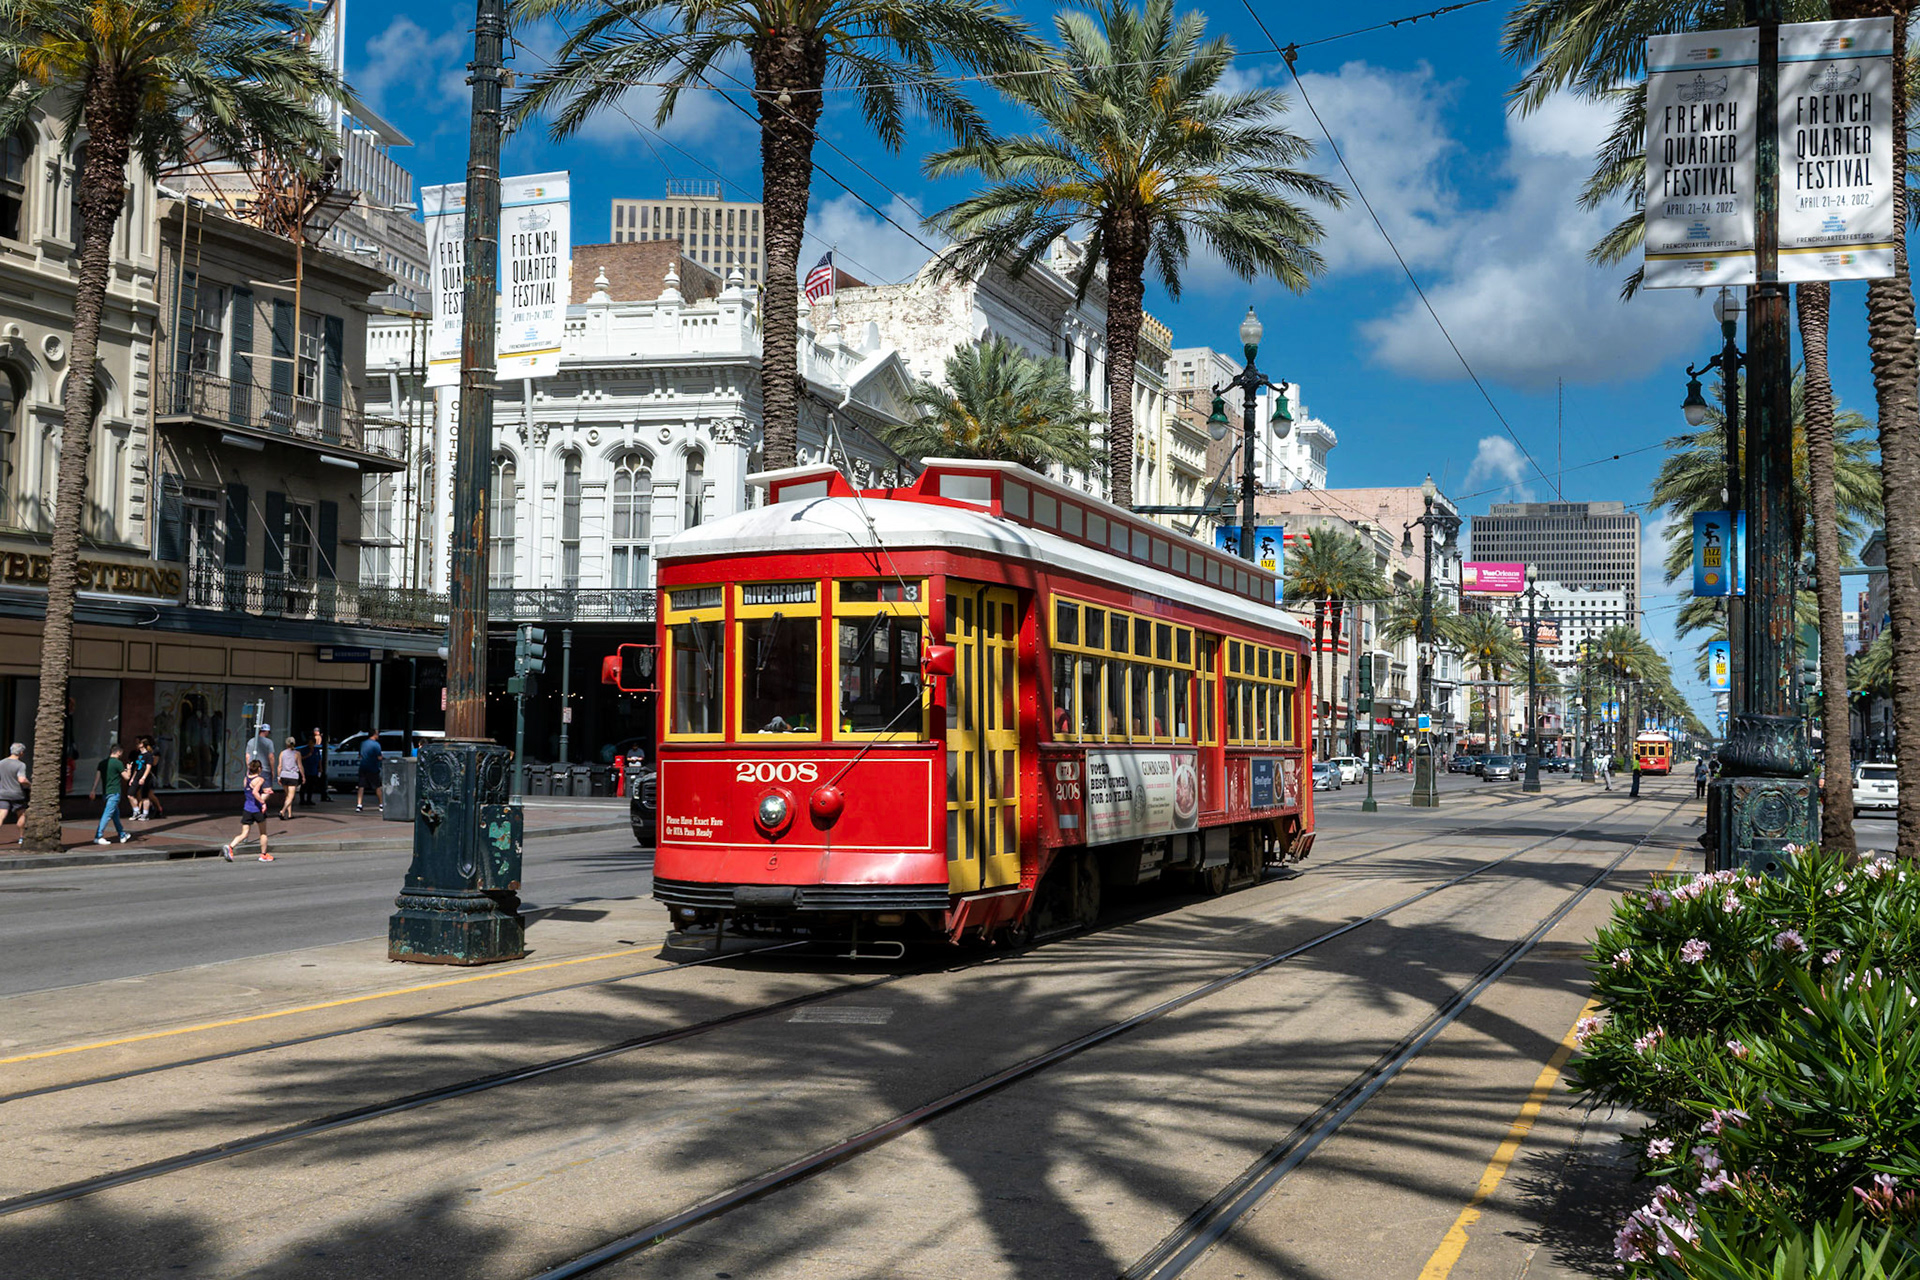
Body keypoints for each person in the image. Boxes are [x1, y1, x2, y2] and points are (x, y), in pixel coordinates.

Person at [223, 761, 275, 862]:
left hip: (247, 809)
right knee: (263, 833)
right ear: (259, 769)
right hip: (257, 810)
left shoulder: (246, 779)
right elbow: (255, 792)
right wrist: (263, 802)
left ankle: (230, 847)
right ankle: (263, 855)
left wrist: (264, 792)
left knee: (244, 833)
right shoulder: (260, 779)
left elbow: (250, 791)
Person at [88, 744, 132, 845]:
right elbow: (127, 777)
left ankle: (122, 834)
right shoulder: (118, 763)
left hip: (105, 793)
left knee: (115, 815)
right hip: (114, 792)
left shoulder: (102, 763)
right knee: (107, 814)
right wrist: (128, 768)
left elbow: (97, 778)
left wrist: (93, 790)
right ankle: (98, 836)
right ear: (119, 752)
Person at [0, 742, 28, 843]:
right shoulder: (21, 765)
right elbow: (22, 780)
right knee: (21, 815)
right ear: (21, 753)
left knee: (1, 815)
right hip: (17, 794)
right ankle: (21, 837)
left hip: (3, 794)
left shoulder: (1, 763)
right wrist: (30, 784)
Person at [276, 735, 305, 819]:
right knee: (291, 796)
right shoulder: (297, 753)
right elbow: (300, 766)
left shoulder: (282, 753)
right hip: (293, 776)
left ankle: (290, 814)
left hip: (284, 775)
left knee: (287, 796)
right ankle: (283, 811)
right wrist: (303, 776)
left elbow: (279, 766)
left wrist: (278, 777)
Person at [356, 729, 383, 813]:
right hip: (373, 767)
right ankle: (381, 804)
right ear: (374, 735)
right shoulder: (376, 745)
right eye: (377, 734)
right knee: (377, 786)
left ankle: (359, 804)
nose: (378, 735)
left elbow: (360, 755)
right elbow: (379, 757)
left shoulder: (363, 743)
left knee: (361, 786)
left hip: (363, 767)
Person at [300, 728, 330, 805]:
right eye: (310, 743)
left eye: (312, 743)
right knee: (304, 786)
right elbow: (300, 759)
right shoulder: (304, 750)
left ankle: (309, 799)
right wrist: (307, 756)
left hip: (313, 770)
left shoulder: (316, 750)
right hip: (306, 769)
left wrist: (320, 768)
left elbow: (319, 760)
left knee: (311, 786)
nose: (311, 744)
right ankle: (302, 800)